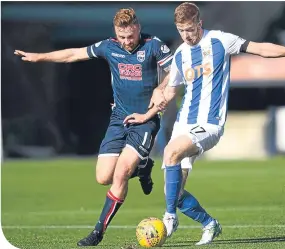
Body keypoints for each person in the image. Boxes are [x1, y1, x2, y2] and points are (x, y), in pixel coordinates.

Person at [124, 2, 285, 246]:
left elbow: (261, 49)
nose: (186, 35)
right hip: (184, 124)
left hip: (209, 124)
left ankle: (169, 218)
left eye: (190, 29)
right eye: (181, 31)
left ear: (199, 23)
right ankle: (210, 224)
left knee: (170, 153)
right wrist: (146, 114)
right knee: (176, 193)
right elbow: (170, 92)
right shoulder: (181, 53)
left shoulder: (221, 41)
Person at [14, 8, 173, 246]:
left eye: (130, 36)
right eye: (122, 37)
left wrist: (160, 88)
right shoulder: (109, 47)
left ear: (138, 28)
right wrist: (40, 57)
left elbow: (176, 71)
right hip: (119, 119)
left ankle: (98, 232)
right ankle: (143, 167)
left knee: (120, 174)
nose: (127, 42)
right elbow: (73, 54)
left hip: (145, 121)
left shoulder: (154, 46)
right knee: (103, 177)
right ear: (115, 34)